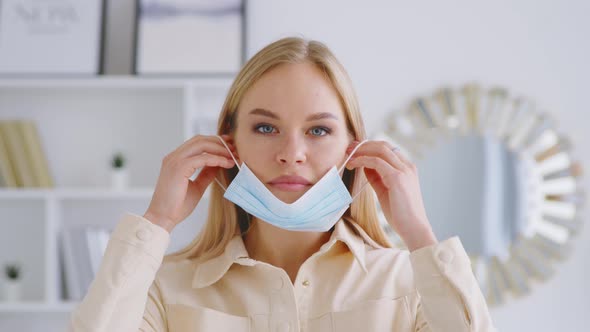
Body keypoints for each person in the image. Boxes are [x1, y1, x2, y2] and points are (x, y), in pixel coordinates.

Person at [68, 37, 496, 331]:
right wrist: (159, 219)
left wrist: (419, 235)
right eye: (267, 128)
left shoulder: (410, 282)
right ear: (228, 144)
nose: (292, 153)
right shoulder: (166, 288)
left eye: (318, 131)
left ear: (355, 146)